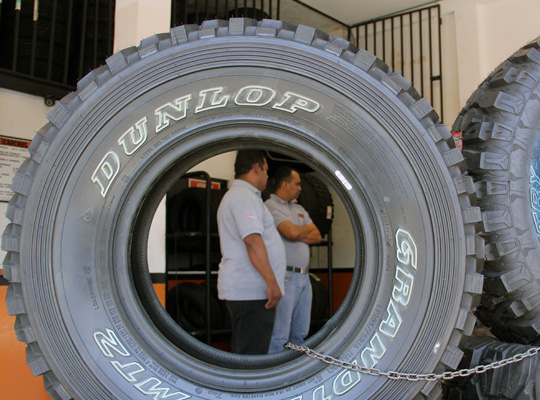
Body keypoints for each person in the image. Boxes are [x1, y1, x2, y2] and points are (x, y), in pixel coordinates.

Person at [216, 150, 286, 354]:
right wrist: (271, 282)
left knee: (246, 353)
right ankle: (247, 387)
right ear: (256, 168)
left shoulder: (241, 196)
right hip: (253, 292)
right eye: (266, 171)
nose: (267, 176)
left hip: (249, 291)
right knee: (251, 358)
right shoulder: (244, 197)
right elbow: (252, 241)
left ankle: (244, 385)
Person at [264, 167, 322, 353]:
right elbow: (291, 232)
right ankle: (274, 377)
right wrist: (302, 230)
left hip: (305, 278)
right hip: (286, 278)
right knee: (279, 334)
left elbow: (317, 236)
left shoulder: (299, 208)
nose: (300, 188)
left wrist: (298, 232)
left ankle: (294, 376)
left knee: (300, 334)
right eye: (297, 184)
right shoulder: (270, 206)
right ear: (285, 184)